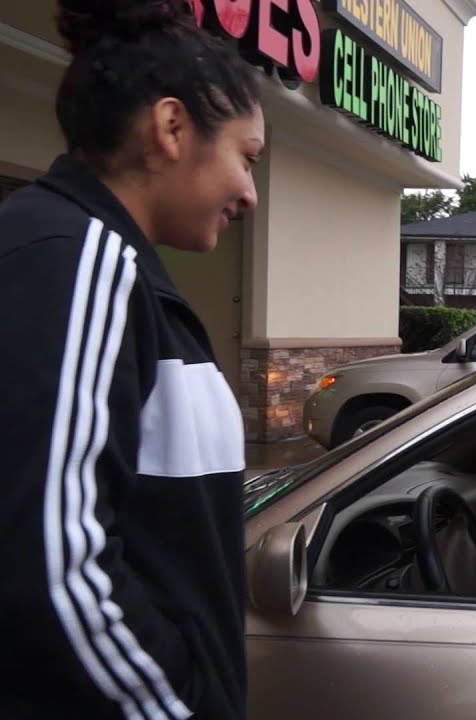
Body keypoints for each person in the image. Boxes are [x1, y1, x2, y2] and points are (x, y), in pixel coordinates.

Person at [0, 0, 263, 717]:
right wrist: (184, 705)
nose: (250, 192)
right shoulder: (75, 260)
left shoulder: (111, 270)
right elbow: (51, 568)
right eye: (247, 156)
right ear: (172, 127)